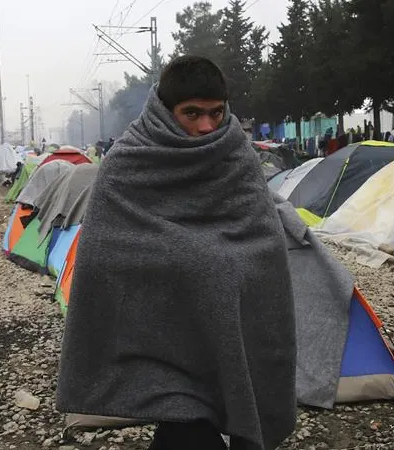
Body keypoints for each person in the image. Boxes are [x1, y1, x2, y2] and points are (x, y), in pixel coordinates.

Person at [56, 56, 296, 450]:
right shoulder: (129, 161)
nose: (207, 126)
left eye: (216, 113)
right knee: (187, 431)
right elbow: (102, 257)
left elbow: (264, 245)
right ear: (165, 111)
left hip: (231, 330)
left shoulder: (236, 154)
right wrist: (177, 264)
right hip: (159, 344)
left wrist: (223, 270)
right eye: (192, 113)